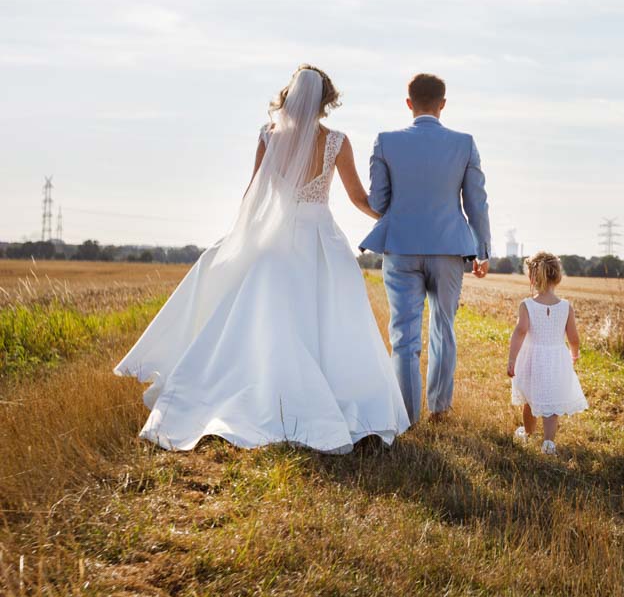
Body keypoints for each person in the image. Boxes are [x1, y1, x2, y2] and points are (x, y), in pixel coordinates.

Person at [116, 66, 409, 453]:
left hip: (275, 241)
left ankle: (263, 395)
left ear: (288, 96)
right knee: (332, 321)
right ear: (326, 100)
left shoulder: (268, 137)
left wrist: (242, 238)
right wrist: (391, 216)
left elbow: (253, 193)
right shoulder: (337, 141)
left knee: (275, 323)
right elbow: (358, 197)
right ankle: (329, 402)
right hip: (321, 239)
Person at [360, 73, 491, 423]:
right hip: (450, 249)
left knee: (403, 332)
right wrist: (483, 250)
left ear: (408, 103)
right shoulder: (464, 143)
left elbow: (378, 201)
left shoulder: (385, 142)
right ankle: (439, 409)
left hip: (401, 247)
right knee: (443, 328)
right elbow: (477, 202)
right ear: (443, 104)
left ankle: (406, 415)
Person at [507, 251, 587, 456]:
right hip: (557, 359)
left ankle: (527, 432)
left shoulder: (527, 305)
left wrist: (512, 359)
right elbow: (574, 338)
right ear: (557, 277)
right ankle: (549, 443)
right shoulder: (566, 307)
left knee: (530, 400)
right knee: (551, 404)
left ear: (532, 278)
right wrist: (575, 354)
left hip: (532, 359)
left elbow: (520, 332)